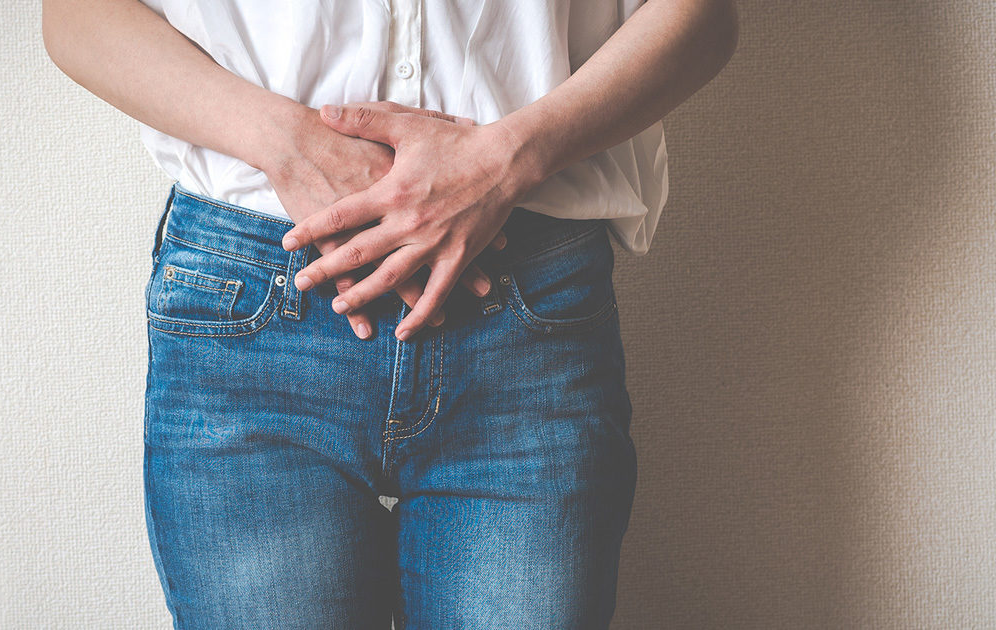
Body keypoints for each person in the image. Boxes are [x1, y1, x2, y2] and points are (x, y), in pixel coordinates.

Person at [42, 0, 738, 627]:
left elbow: (703, 16)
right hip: (251, 306)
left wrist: (504, 161)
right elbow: (74, 14)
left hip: (523, 304)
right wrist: (286, 143)